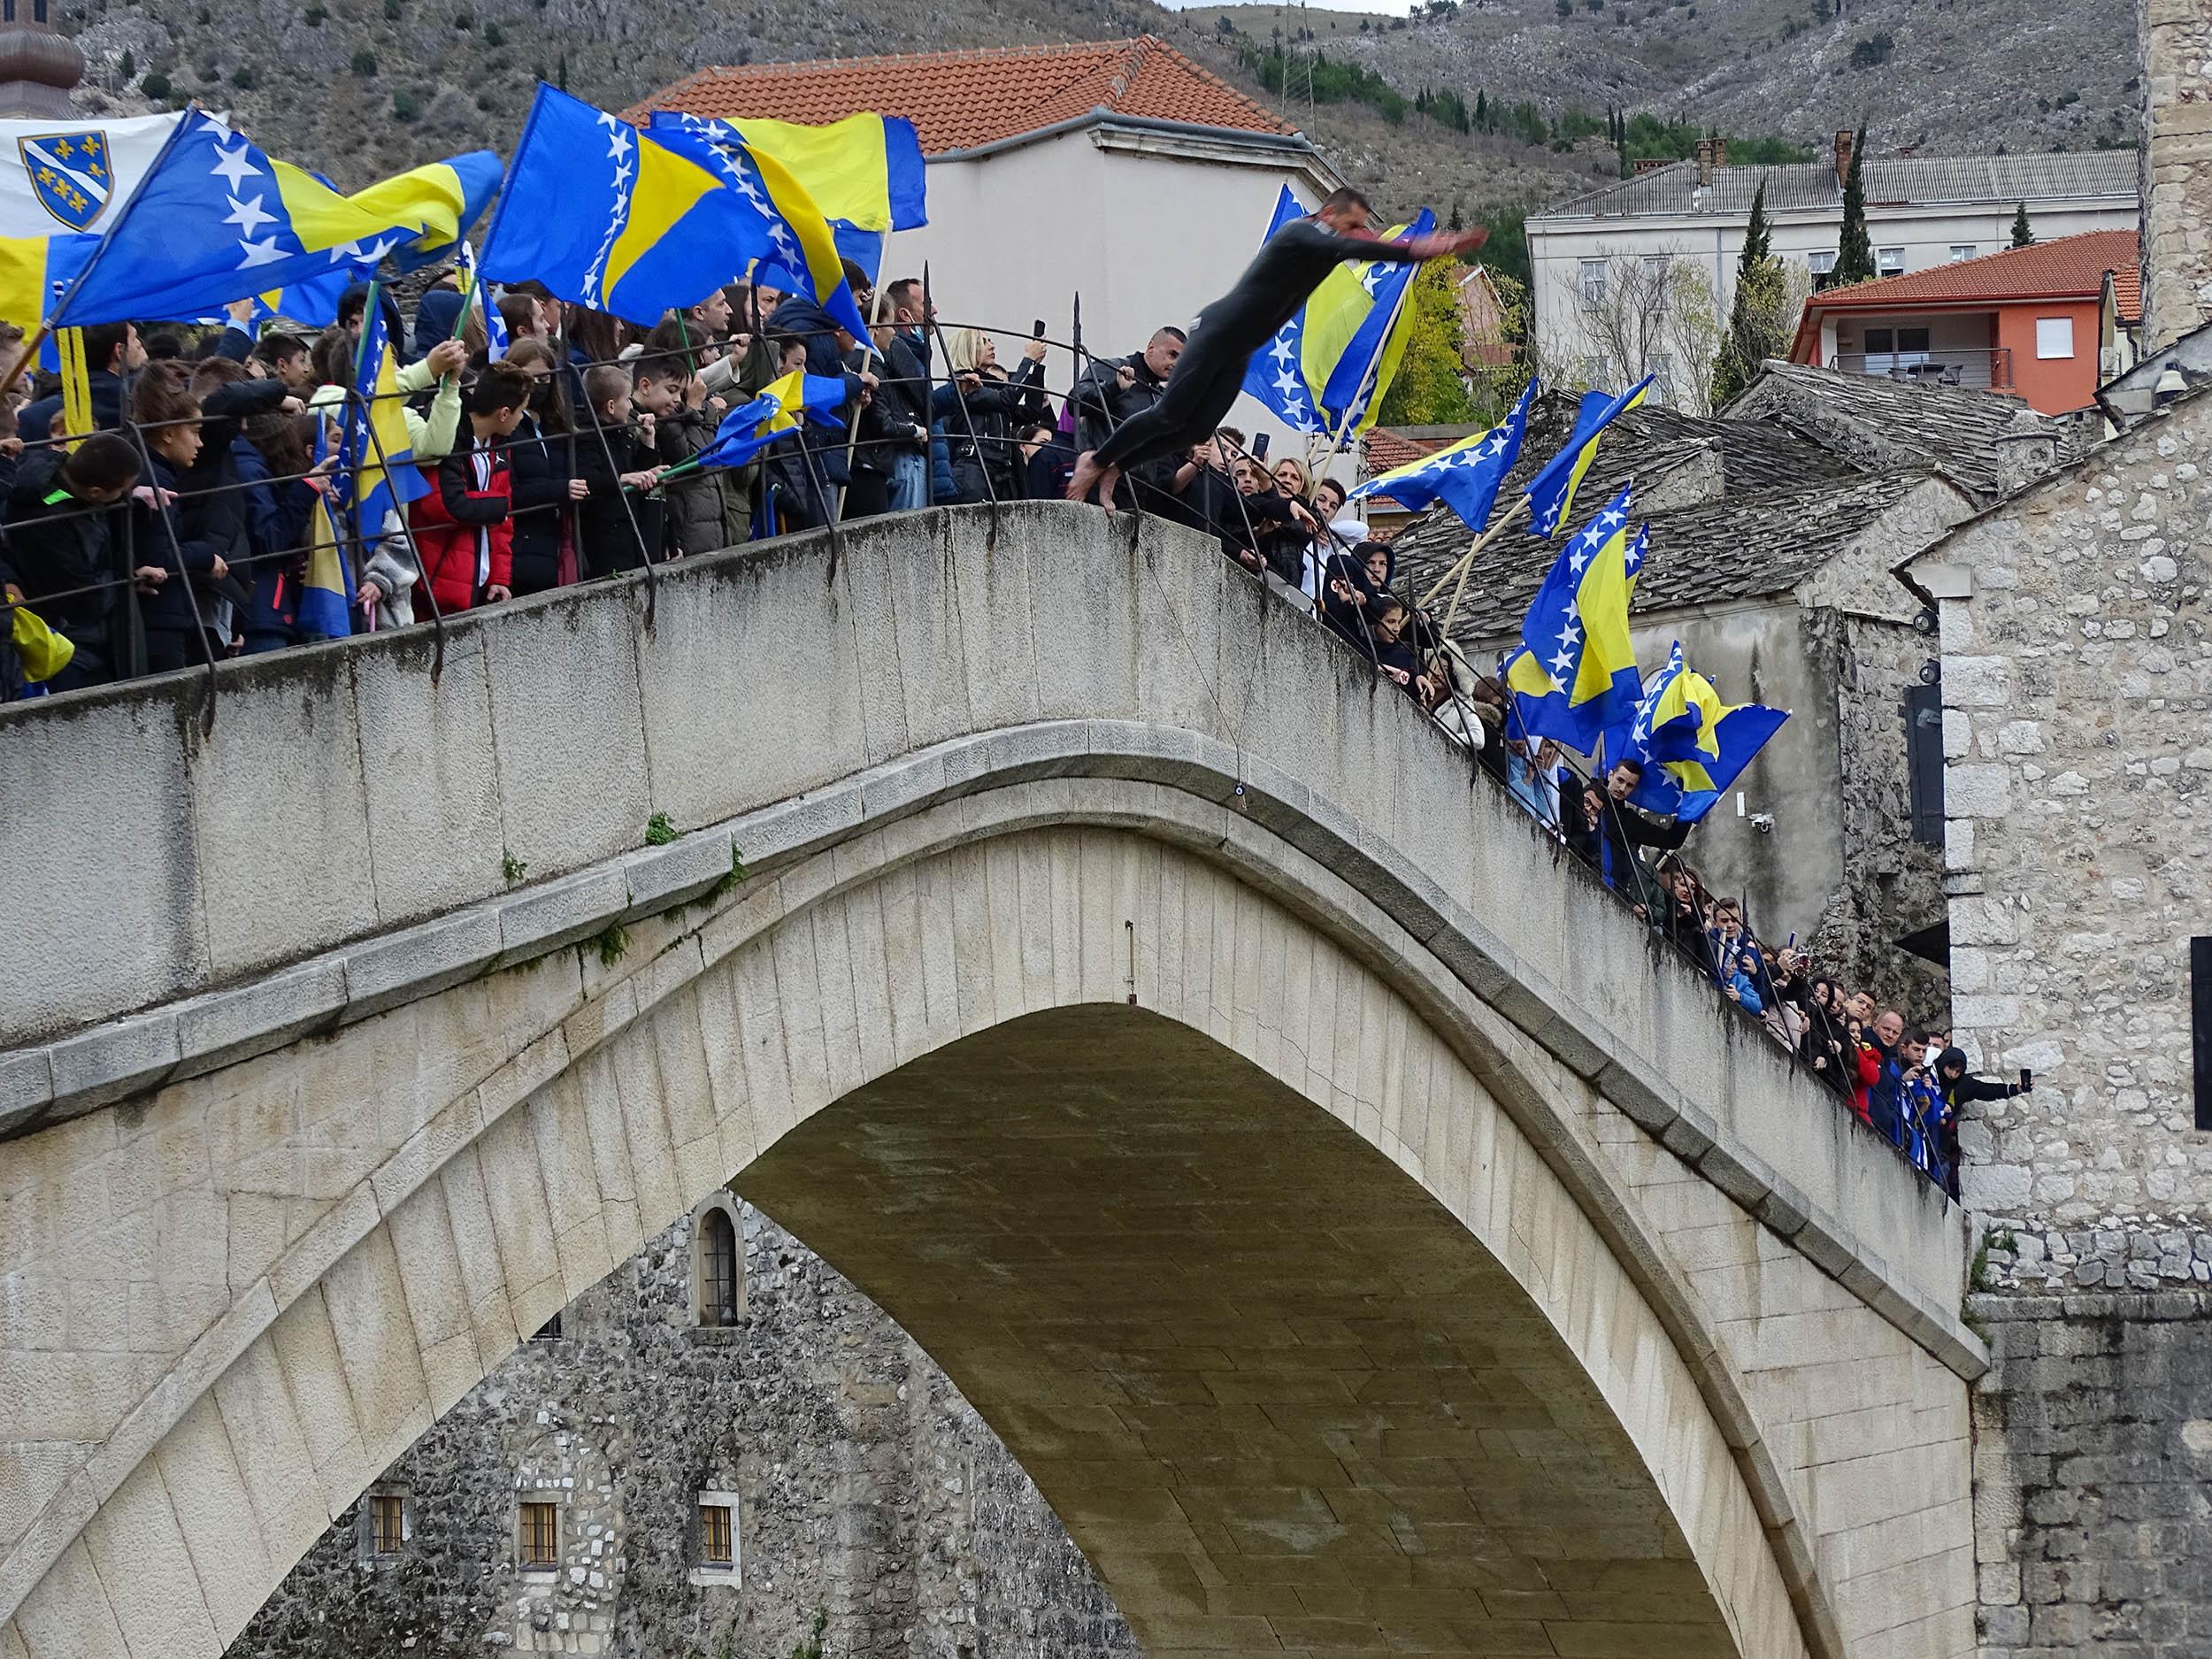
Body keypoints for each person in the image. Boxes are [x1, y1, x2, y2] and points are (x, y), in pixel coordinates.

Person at [1066, 188, 1482, 507]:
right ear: (1329, 214)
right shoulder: (1301, 232)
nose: (1355, 234)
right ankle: (1097, 461)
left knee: (1192, 430)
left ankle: (1116, 464)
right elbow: (1349, 246)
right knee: (1168, 413)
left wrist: (1409, 251)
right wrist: (1414, 250)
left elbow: (1349, 246)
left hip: (1241, 348)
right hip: (1218, 331)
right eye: (1351, 224)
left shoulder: (1328, 247)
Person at [4, 431, 143, 690]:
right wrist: (125, 580)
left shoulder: (51, 474)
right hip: (67, 639)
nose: (126, 496)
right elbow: (83, 597)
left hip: (84, 628)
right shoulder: (47, 523)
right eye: (124, 491)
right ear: (96, 493)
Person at [411, 361, 532, 612]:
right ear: (504, 413)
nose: (522, 419)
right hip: (438, 586)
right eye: (521, 411)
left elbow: (503, 526)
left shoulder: (499, 446)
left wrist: (500, 577)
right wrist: (499, 504)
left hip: (482, 586)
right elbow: (445, 505)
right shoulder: (449, 436)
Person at [498, 338, 585, 595]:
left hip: (559, 548)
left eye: (546, 379)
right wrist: (560, 490)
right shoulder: (506, 431)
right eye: (531, 379)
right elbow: (508, 495)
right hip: (522, 552)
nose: (539, 386)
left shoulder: (558, 425)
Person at [1070, 326, 1185, 512]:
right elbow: (1075, 403)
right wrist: (1114, 387)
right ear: (1151, 348)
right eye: (1172, 355)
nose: (1175, 364)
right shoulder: (1111, 368)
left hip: (1141, 488)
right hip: (1101, 477)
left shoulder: (1162, 394)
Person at [933, 328, 1047, 505]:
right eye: (984, 342)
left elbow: (1031, 412)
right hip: (974, 471)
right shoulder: (963, 383)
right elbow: (1007, 399)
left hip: (1000, 474)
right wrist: (1028, 361)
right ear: (968, 347)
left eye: (990, 341)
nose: (992, 345)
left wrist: (1036, 367)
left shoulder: (993, 387)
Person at [573, 363, 665, 576]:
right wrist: (625, 479)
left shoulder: (622, 432)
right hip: (605, 534)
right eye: (627, 400)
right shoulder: (587, 436)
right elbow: (589, 480)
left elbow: (640, 472)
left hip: (629, 529)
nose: (632, 406)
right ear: (611, 406)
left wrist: (647, 441)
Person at [17, 322, 144, 442]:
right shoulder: (143, 406)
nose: (139, 344)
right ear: (119, 351)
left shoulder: (32, 417)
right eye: (134, 339)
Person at [878, 278, 934, 511]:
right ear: (905, 314)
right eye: (926, 303)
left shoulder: (914, 352)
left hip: (905, 453)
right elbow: (927, 402)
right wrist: (955, 393)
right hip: (906, 452)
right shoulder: (898, 348)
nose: (934, 310)